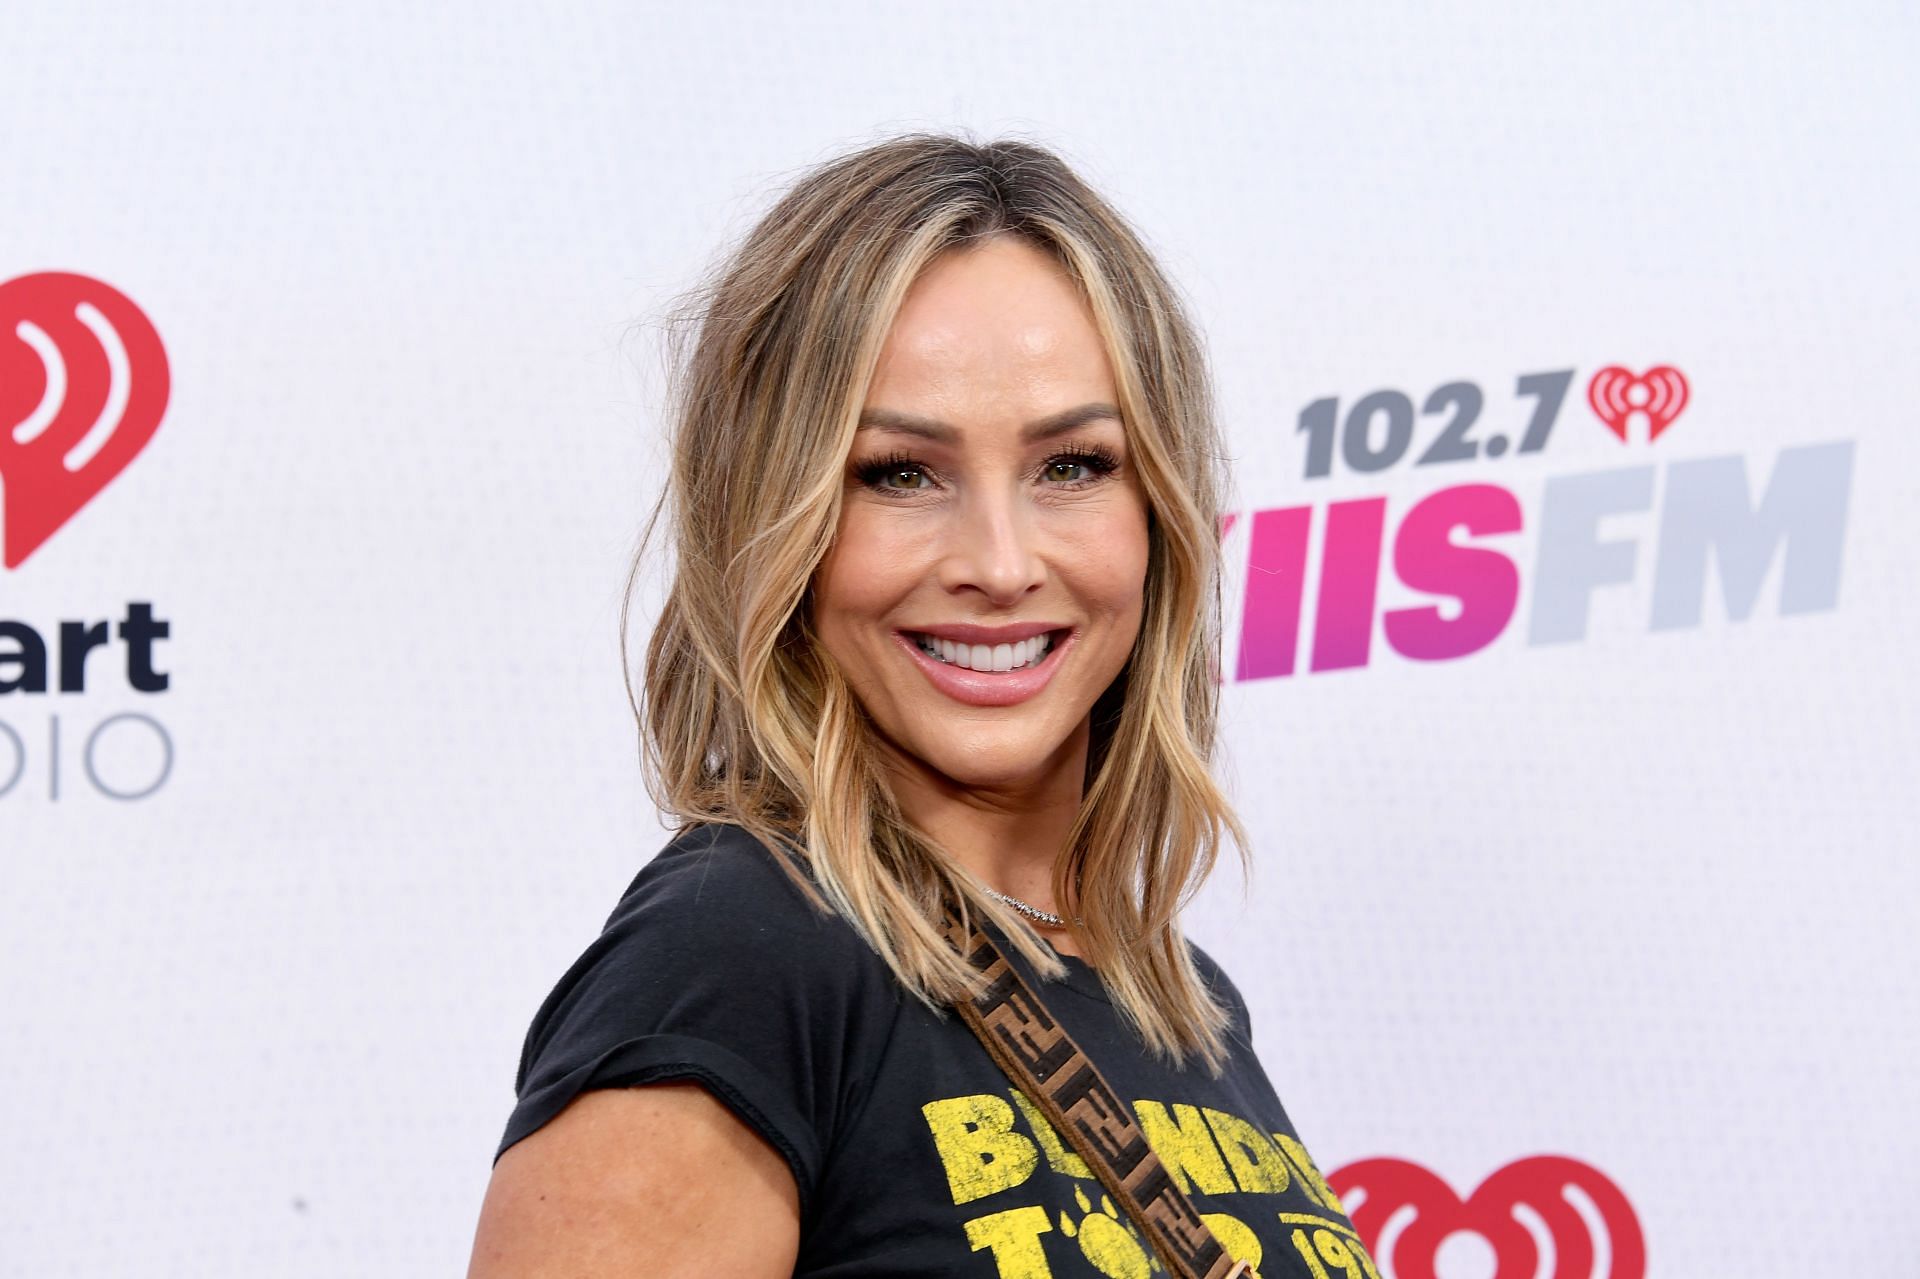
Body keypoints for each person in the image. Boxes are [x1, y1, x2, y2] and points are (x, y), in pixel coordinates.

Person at [467, 132, 1374, 1279]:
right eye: (900, 472)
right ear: (774, 517)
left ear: (1161, 511)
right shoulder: (737, 959)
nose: (999, 562)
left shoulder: (1186, 1003)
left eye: (1075, 465)